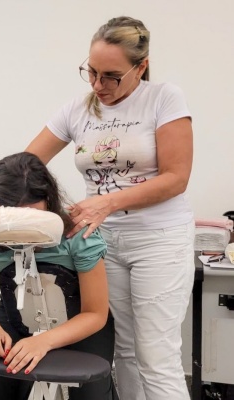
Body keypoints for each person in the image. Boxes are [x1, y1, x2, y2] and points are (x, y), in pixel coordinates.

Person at [25, 16, 194, 400]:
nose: (99, 86)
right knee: (126, 353)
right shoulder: (77, 109)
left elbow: (176, 178)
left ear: (141, 66)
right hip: (104, 244)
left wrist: (105, 202)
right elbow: (27, 163)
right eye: (92, 72)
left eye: (112, 76)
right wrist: (49, 207)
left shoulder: (164, 98)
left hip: (159, 240)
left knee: (157, 356)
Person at [0, 152, 118, 400]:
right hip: (16, 321)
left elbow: (95, 314)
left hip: (82, 325)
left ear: (48, 200)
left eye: (29, 216)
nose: (19, 230)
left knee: (92, 392)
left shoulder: (78, 236)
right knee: (0, 391)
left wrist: (45, 341)